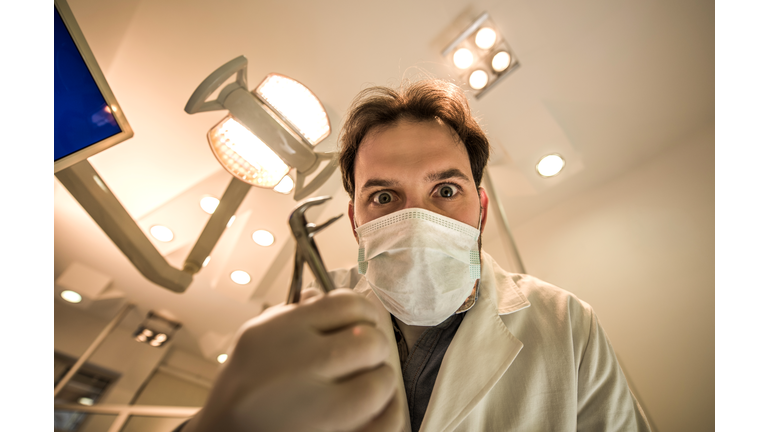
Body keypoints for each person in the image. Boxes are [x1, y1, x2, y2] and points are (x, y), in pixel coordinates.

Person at [179, 80, 652, 432]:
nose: (418, 219)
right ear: (355, 223)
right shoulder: (304, 317)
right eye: (384, 198)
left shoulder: (566, 323)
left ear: (481, 210)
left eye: (445, 190)